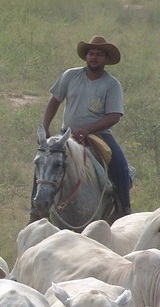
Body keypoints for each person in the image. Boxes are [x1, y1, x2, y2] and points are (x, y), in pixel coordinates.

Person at [40, 35, 131, 221]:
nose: (93, 58)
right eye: (91, 53)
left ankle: (124, 210)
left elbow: (114, 116)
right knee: (44, 163)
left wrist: (88, 129)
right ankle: (36, 210)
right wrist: (45, 126)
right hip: (67, 134)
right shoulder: (70, 76)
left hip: (100, 135)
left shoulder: (112, 85)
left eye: (99, 54)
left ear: (106, 59)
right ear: (86, 56)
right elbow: (55, 100)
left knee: (121, 167)